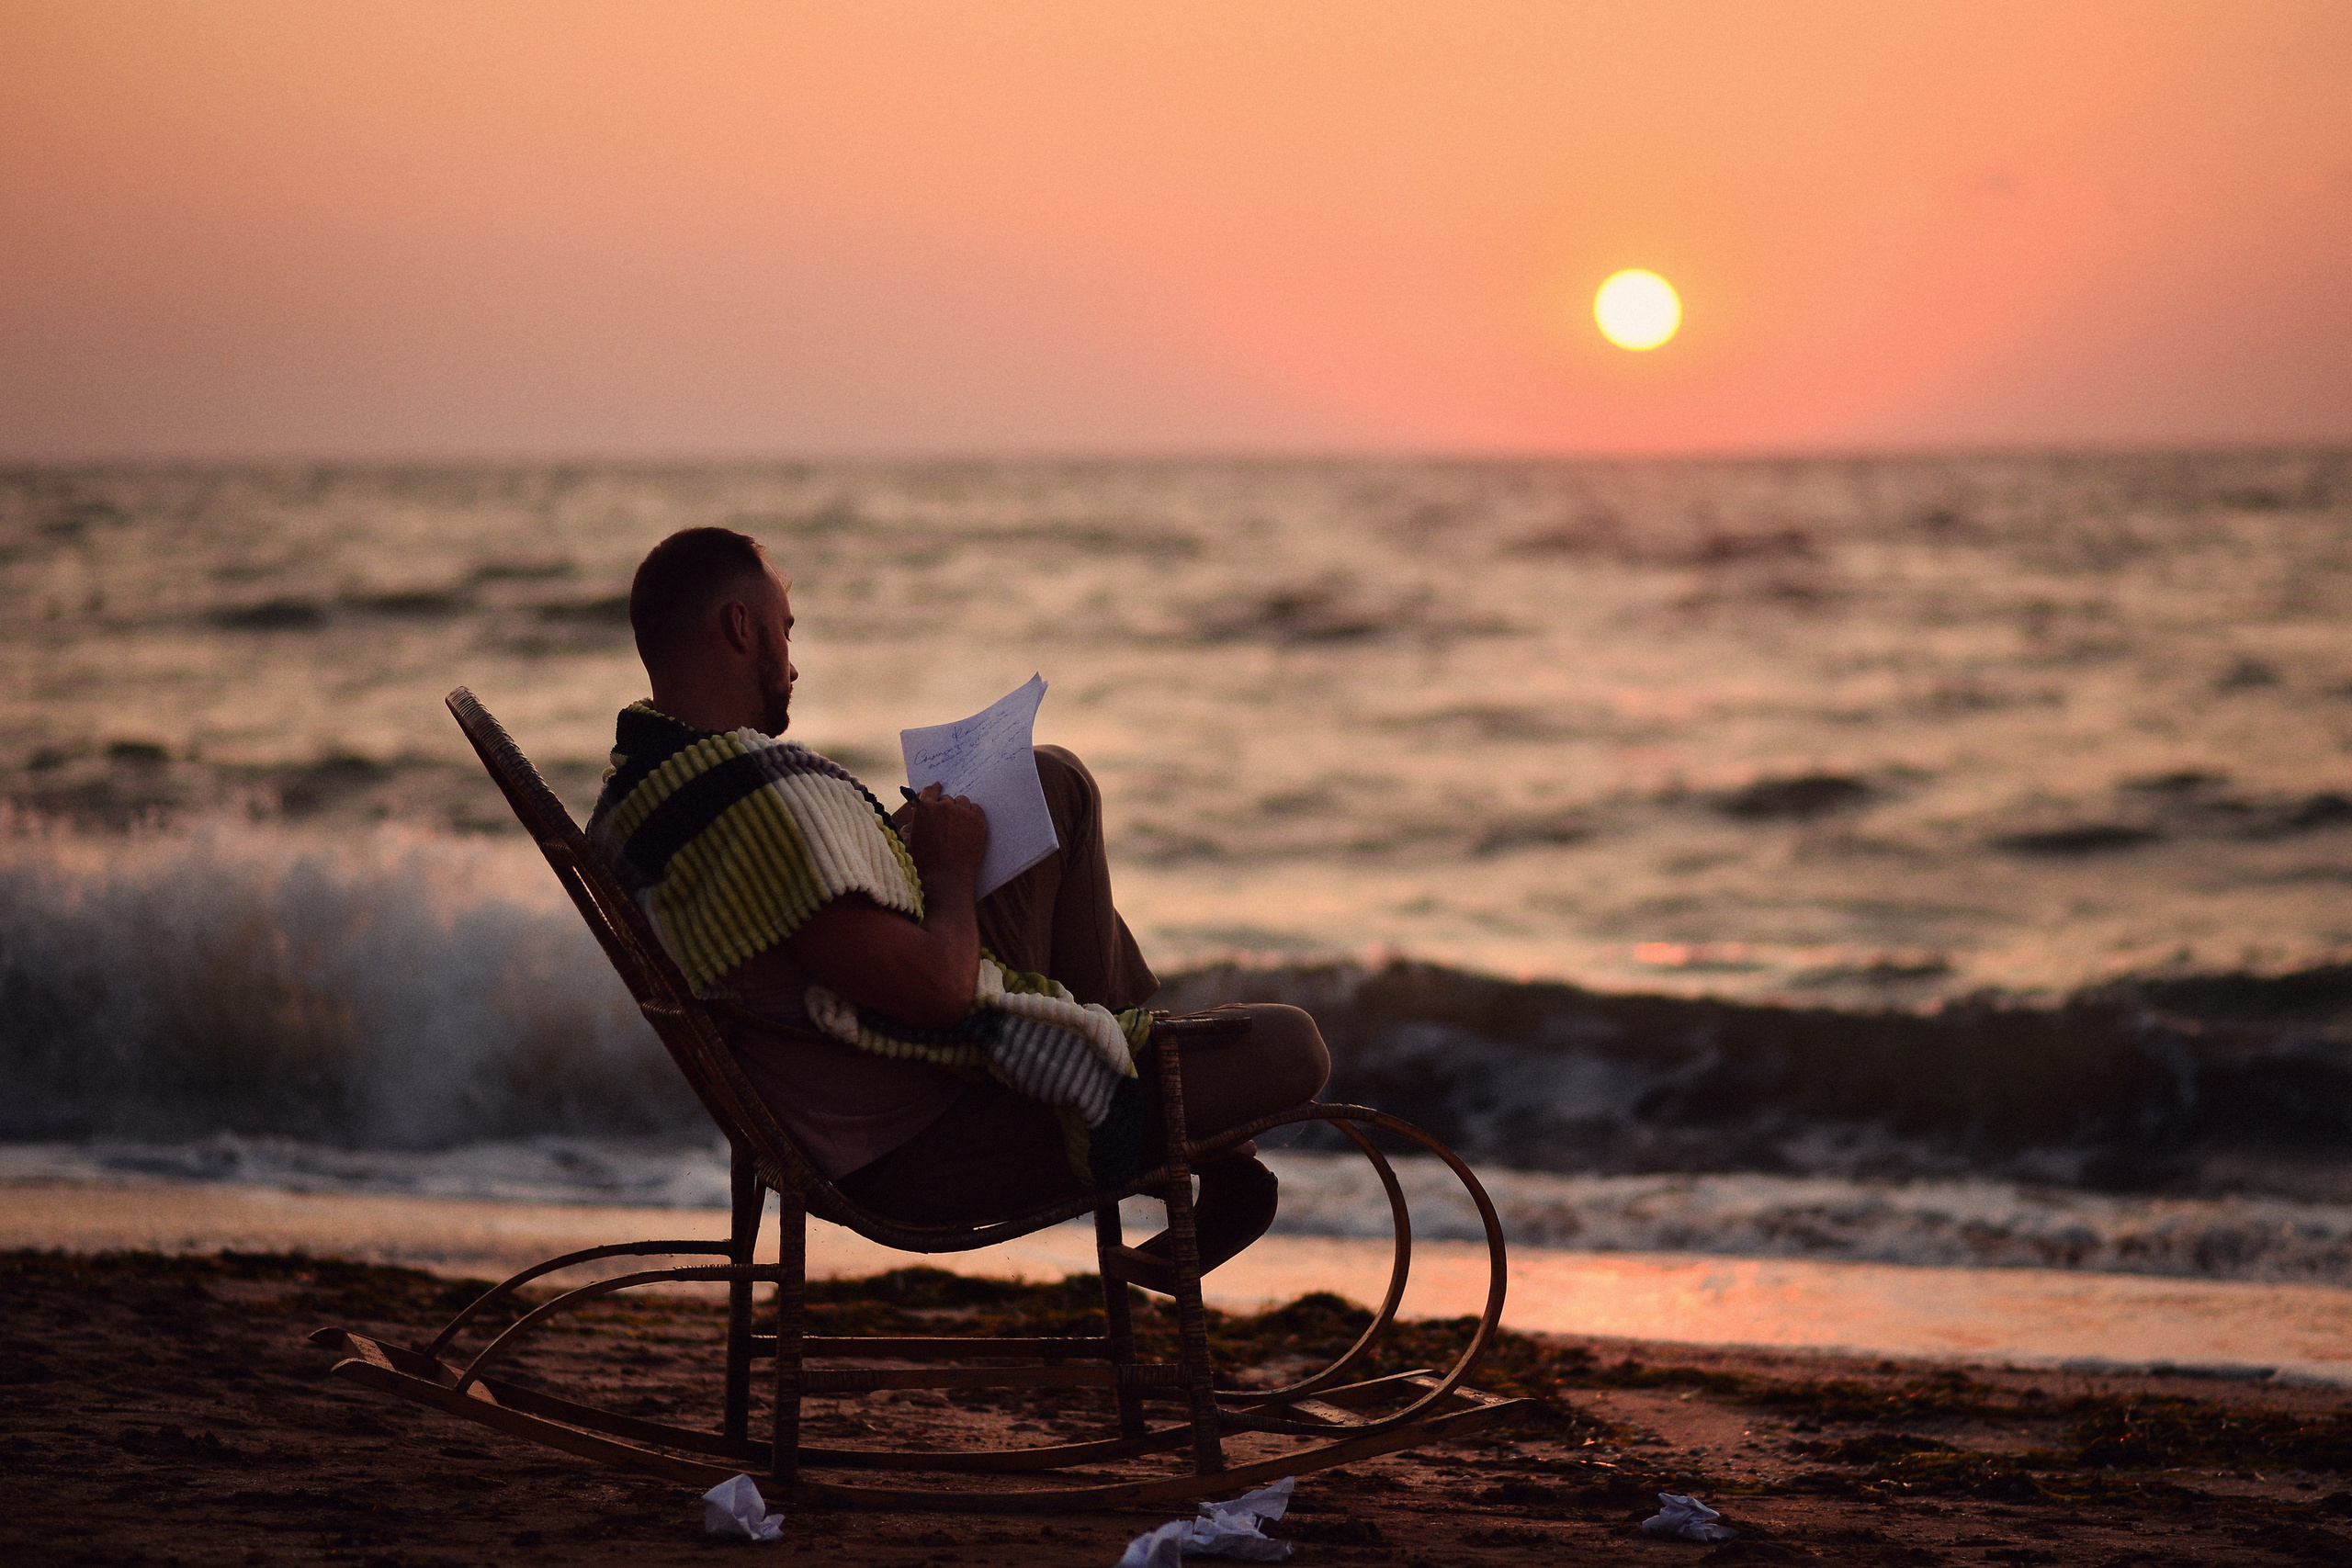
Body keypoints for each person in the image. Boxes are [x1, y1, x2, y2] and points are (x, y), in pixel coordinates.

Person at [586, 526, 1329, 1290]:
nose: (794, 660)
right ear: (741, 626)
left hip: (871, 1081)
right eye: (784, 628)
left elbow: (813, 941)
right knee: (1296, 1049)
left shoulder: (647, 798)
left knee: (1053, 783)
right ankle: (1167, 1121)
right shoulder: (754, 811)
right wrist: (948, 867)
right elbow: (941, 991)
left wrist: (891, 846)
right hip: (916, 1142)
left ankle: (1156, 1104)